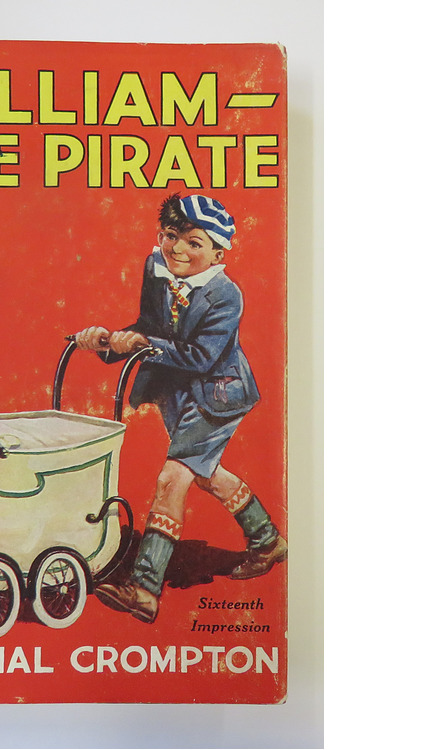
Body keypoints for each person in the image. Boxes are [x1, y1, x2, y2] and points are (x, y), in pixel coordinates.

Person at [75, 194, 286, 624]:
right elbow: (148, 328)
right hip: (176, 393)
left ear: (218, 253)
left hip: (217, 396)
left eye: (194, 242)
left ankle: (144, 588)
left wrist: (144, 343)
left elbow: (201, 357)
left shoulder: (226, 296)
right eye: (170, 236)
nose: (178, 249)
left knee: (172, 479)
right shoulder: (156, 269)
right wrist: (108, 341)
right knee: (205, 474)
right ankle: (267, 541)